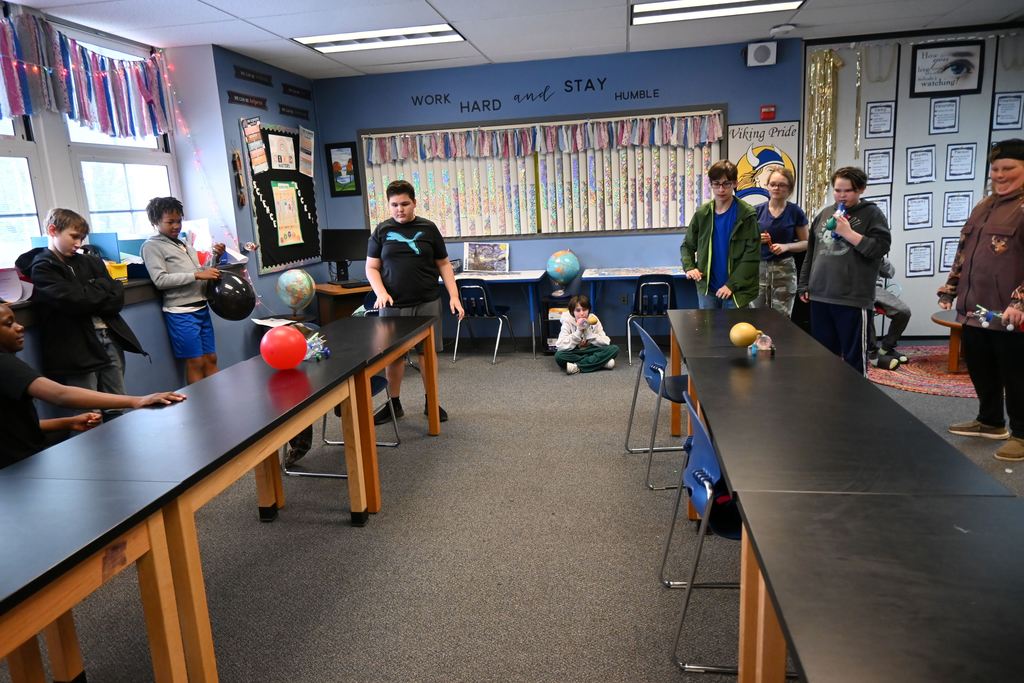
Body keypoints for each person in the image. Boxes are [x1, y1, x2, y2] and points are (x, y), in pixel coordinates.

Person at [0, 301, 185, 469]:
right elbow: (60, 395)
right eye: (9, 324)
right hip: (18, 469)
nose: (20, 327)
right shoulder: (4, 364)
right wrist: (137, 400)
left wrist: (69, 422)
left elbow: (13, 426)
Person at [938, 138, 1024, 461]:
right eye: (995, 169)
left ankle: (1022, 433)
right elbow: (964, 250)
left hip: (1010, 314)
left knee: (1016, 374)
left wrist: (1020, 303)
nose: (1000, 175)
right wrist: (951, 287)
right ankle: (990, 421)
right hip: (975, 307)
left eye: (1009, 169)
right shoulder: (984, 205)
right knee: (980, 366)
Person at [15, 208, 146, 420]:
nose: (78, 243)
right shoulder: (43, 267)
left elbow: (116, 297)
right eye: (74, 236)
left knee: (117, 404)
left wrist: (92, 292)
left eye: (82, 238)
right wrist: (98, 290)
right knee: (88, 413)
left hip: (109, 338)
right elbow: (75, 302)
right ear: (52, 230)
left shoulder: (90, 261)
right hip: (77, 346)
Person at [366, 180, 464, 426]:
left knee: (426, 354)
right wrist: (380, 292)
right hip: (393, 305)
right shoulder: (381, 231)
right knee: (394, 358)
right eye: (394, 205)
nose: (400, 209)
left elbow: (443, 264)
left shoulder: (428, 229)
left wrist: (454, 296)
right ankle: (394, 404)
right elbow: (371, 267)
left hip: (426, 302)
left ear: (414, 203)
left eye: (405, 204)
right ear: (388, 205)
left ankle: (431, 401)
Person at [798, 167, 891, 375]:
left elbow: (880, 248)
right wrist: (804, 284)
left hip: (852, 298)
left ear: (861, 190)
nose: (841, 195)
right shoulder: (824, 214)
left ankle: (856, 403)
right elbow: (811, 253)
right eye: (837, 190)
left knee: (853, 359)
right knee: (823, 357)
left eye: (847, 191)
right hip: (820, 296)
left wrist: (849, 234)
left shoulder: (872, 214)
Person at [141, 196, 224, 385]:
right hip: (181, 313)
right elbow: (160, 280)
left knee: (211, 359)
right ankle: (200, 408)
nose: (176, 226)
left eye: (179, 221)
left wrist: (216, 258)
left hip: (201, 308)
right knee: (195, 362)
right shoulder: (151, 246)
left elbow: (202, 272)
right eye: (170, 222)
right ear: (155, 222)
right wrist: (196, 275)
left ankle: (219, 403)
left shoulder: (184, 244)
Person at [681, 159, 760, 309]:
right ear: (710, 184)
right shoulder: (702, 214)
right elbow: (687, 245)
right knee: (708, 332)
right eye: (716, 184)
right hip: (708, 290)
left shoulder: (746, 215)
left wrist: (732, 285)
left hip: (737, 291)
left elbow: (751, 256)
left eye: (726, 184)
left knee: (736, 332)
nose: (721, 189)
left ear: (735, 184)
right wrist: (690, 267)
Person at [754, 167, 808, 316]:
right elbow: (742, 242)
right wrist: (756, 239)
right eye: (773, 184)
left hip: (784, 271)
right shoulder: (756, 211)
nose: (776, 188)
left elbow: (806, 243)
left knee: (782, 319)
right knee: (756, 316)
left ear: (789, 189)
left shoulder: (795, 212)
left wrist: (787, 246)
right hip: (759, 269)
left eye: (782, 185)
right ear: (767, 186)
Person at [553, 294, 618, 374]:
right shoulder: (568, 321)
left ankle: (577, 367)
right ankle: (601, 363)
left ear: (588, 310)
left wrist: (588, 333)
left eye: (584, 309)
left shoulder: (594, 320)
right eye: (578, 310)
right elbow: (560, 345)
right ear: (572, 312)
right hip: (576, 352)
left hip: (592, 350)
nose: (582, 313)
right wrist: (578, 332)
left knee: (614, 349)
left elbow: (605, 342)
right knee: (559, 356)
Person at [868, 257, 911, 369]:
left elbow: (890, 273)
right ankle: (872, 352)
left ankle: (886, 349)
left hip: (875, 289)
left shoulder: (874, 246)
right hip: (855, 289)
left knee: (904, 312)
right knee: (867, 311)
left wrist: (881, 259)